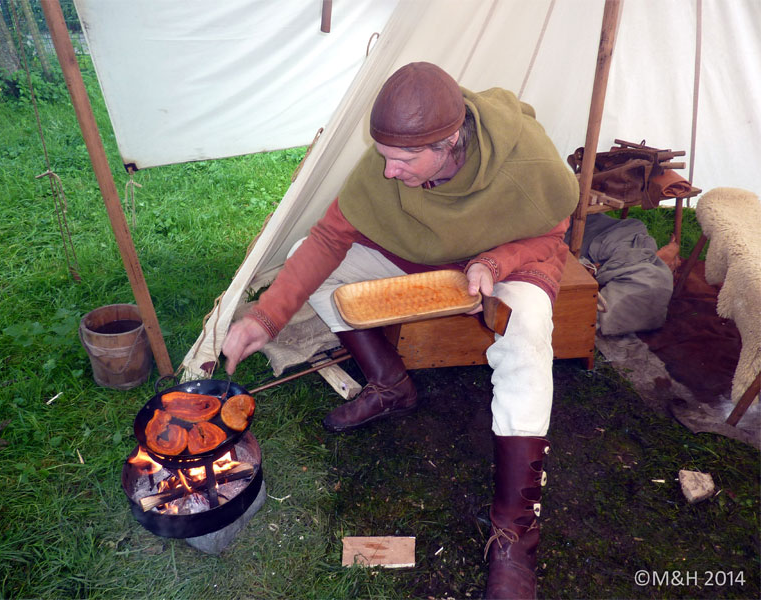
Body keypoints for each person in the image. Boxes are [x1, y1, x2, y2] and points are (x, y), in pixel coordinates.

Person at [222, 62, 579, 599]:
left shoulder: (524, 159)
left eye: (405, 160)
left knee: (528, 335)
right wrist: (264, 318)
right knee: (309, 259)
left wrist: (496, 263)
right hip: (421, 251)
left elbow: (553, 233)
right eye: (385, 156)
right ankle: (391, 384)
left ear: (450, 142)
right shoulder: (389, 162)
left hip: (505, 261)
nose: (389, 171)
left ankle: (515, 531)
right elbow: (329, 237)